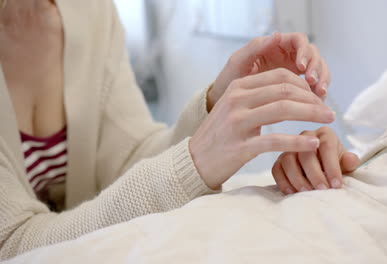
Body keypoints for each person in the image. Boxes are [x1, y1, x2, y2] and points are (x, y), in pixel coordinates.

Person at [0, 0, 343, 259]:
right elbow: (12, 245)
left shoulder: (90, 11)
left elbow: (132, 160)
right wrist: (193, 163)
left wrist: (215, 103)